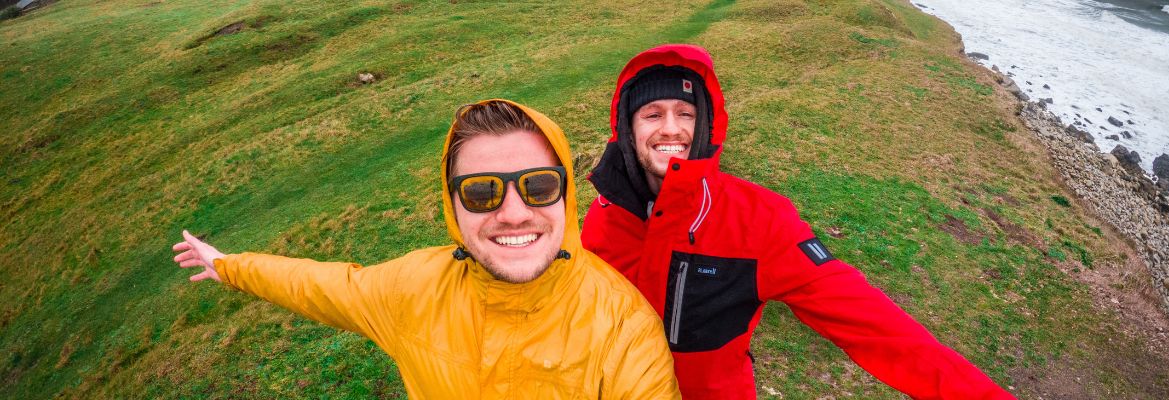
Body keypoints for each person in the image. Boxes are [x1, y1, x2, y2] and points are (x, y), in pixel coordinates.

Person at [581, 44, 1013, 399]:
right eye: (653, 114)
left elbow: (879, 329)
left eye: (686, 113)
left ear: (706, 124)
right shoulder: (602, 217)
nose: (671, 129)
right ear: (628, 127)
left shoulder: (761, 220)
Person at [172, 99, 680, 399]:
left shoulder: (626, 331)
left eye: (539, 185)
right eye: (481, 191)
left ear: (567, 195)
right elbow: (317, 286)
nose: (513, 212)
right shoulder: (409, 289)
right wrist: (229, 266)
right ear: (452, 207)